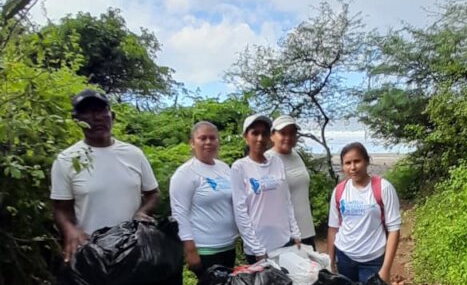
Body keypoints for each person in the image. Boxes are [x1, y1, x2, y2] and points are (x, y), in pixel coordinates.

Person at [51, 89, 159, 262]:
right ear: (76, 121)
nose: (96, 118)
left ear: (112, 116)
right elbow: (61, 208)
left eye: (101, 111)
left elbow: (153, 193)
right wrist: (70, 230)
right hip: (92, 253)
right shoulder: (66, 160)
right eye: (86, 112)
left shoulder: (134, 154)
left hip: (135, 250)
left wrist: (142, 212)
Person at [327, 141, 401, 285]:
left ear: (367, 161)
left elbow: (394, 229)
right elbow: (333, 228)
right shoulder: (339, 191)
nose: (353, 167)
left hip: (372, 260)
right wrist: (330, 261)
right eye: (347, 163)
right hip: (344, 257)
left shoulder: (383, 188)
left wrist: (386, 269)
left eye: (357, 161)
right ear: (342, 166)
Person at [231, 114, 301, 263]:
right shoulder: (240, 167)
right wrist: (257, 248)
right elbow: (240, 212)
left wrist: (295, 233)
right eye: (255, 133)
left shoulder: (276, 162)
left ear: (269, 136)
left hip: (284, 241)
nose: (260, 138)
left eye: (264, 133)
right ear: (245, 137)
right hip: (259, 248)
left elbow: (286, 200)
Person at [169, 120, 238, 272]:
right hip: (205, 249)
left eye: (213, 138)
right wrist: (190, 250)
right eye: (203, 138)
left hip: (228, 244)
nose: (208, 142)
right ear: (192, 143)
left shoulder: (224, 168)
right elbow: (179, 214)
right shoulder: (185, 174)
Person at [265, 115, 316, 249]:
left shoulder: (296, 155)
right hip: (286, 236)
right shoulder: (268, 160)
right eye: (283, 133)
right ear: (272, 135)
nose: (288, 137)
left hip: (307, 230)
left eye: (292, 133)